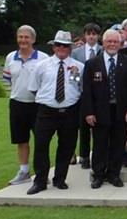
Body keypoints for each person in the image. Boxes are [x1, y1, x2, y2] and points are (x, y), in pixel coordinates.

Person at [26, 30, 84, 195]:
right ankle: (40, 181)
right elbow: (34, 88)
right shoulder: (41, 66)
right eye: (58, 45)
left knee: (66, 147)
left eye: (65, 45)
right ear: (53, 47)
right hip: (46, 112)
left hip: (69, 112)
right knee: (41, 146)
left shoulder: (79, 67)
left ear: (70, 48)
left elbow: (82, 90)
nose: (61, 48)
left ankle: (60, 179)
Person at [82, 29, 127, 189]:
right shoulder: (92, 64)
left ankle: (114, 174)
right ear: (103, 43)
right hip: (100, 111)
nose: (112, 44)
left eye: (115, 42)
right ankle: (98, 175)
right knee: (99, 144)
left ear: (120, 44)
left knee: (118, 144)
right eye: (109, 41)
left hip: (121, 111)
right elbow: (87, 91)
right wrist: (89, 112)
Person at [3, 25, 49, 186]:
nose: (23, 40)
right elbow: (8, 80)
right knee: (21, 139)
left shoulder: (43, 58)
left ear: (33, 40)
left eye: (26, 37)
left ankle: (42, 173)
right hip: (17, 104)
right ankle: (23, 171)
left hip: (37, 105)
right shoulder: (10, 57)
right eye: (20, 37)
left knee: (41, 140)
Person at [71, 22, 102, 169]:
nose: (91, 36)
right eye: (89, 34)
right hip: (82, 93)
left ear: (98, 36)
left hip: (99, 94)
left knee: (98, 128)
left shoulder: (103, 50)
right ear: (85, 35)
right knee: (83, 128)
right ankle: (84, 156)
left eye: (94, 34)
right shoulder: (76, 52)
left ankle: (97, 154)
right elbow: (74, 73)